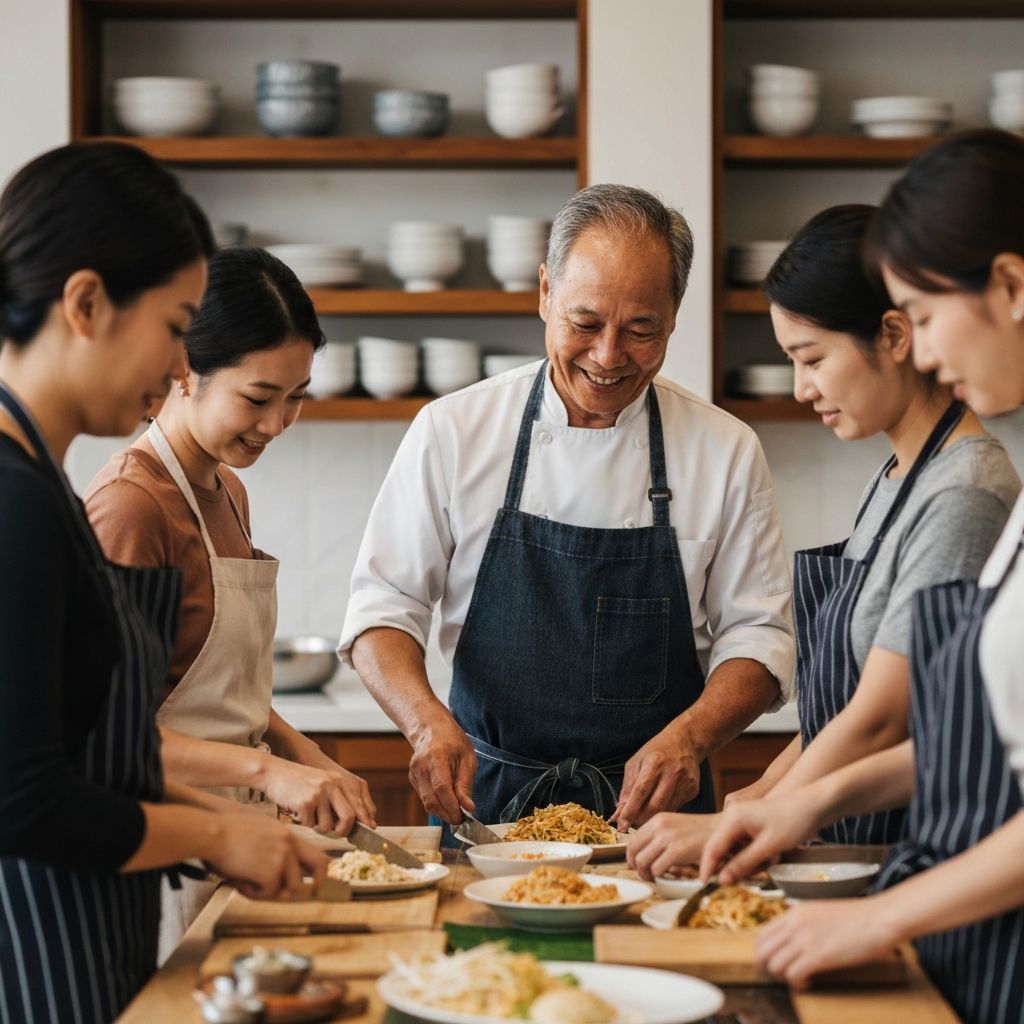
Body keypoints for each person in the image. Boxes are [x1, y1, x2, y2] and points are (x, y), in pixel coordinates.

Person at [339, 183, 795, 841]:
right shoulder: (453, 430)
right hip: (485, 812)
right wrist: (424, 722)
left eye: (641, 329)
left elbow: (760, 636)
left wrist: (692, 739)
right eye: (585, 323)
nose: (609, 357)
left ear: (674, 316)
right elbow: (383, 605)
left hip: (657, 821)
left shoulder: (724, 449)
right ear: (546, 292)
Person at [697, 130, 1024, 1024]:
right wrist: (785, 805)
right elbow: (973, 747)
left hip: (956, 904)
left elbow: (887, 713)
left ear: (1009, 286)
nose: (919, 342)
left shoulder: (974, 487)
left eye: (921, 311)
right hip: (951, 906)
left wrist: (879, 910)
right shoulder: (939, 486)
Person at [0, 142, 327, 1023]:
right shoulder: (22, 501)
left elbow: (96, 758)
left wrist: (245, 824)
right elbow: (25, 795)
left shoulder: (43, 489)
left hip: (97, 931)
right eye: (177, 325)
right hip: (40, 958)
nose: (182, 359)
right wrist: (223, 828)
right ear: (86, 303)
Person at [628, 204, 1019, 879]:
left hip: (898, 851)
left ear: (894, 335)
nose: (802, 387)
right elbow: (840, 705)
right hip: (838, 841)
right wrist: (757, 797)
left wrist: (741, 818)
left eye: (812, 359)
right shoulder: (897, 475)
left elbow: (881, 719)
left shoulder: (965, 493)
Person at [84, 246, 376, 961]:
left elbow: (208, 689)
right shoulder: (131, 508)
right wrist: (270, 772)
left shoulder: (226, 490)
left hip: (240, 842)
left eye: (297, 395)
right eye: (258, 397)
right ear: (185, 369)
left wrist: (300, 750)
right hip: (162, 857)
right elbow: (104, 738)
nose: (279, 424)